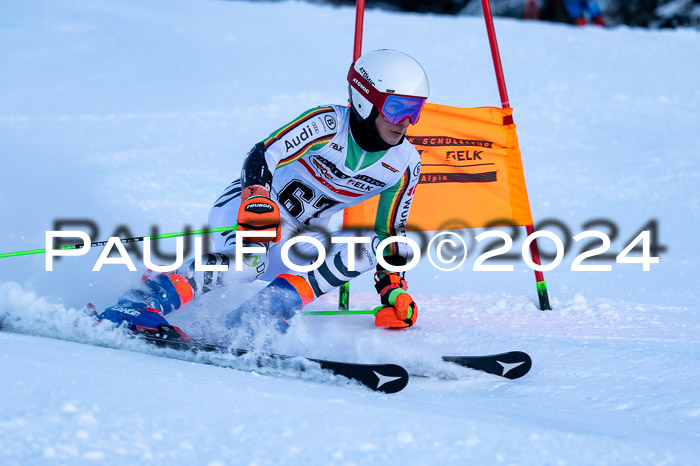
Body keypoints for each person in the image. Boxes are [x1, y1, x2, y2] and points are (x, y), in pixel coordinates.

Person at [98, 49, 429, 339]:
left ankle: (261, 316)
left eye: (415, 110)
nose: (405, 122)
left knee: (369, 246)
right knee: (247, 264)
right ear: (364, 99)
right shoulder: (328, 123)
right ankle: (137, 304)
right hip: (252, 212)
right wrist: (257, 198)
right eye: (397, 108)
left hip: (299, 240)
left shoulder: (405, 163)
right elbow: (263, 153)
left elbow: (391, 233)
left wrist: (392, 288)